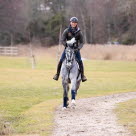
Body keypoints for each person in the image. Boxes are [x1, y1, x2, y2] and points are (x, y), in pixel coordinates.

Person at [53, 17, 87, 82]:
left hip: (75, 50)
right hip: (67, 49)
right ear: (70, 23)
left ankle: (82, 75)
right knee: (61, 60)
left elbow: (82, 42)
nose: (73, 24)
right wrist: (66, 45)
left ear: (76, 23)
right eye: (72, 22)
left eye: (75, 23)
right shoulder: (66, 31)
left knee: (80, 61)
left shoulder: (79, 32)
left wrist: (78, 48)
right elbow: (62, 40)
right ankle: (57, 74)